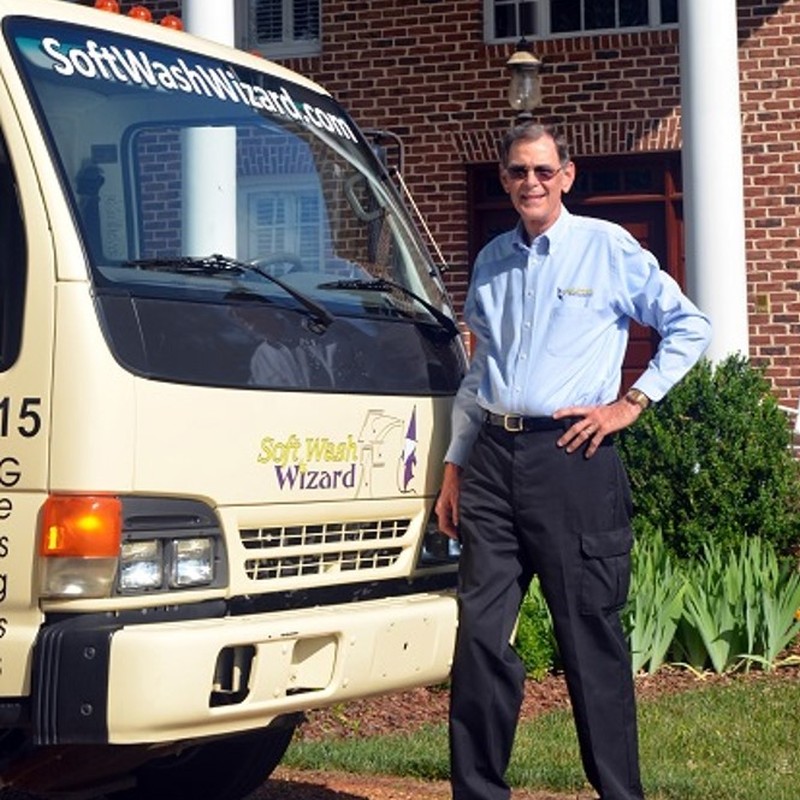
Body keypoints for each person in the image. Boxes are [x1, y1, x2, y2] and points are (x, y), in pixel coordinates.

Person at [435, 122, 711, 800]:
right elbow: (479, 372)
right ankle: (477, 792)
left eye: (543, 170)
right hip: (493, 466)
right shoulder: (492, 260)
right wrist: (453, 466)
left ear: (567, 174)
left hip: (572, 462)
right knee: (478, 641)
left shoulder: (606, 248)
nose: (531, 182)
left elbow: (689, 327)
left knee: (591, 643)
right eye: (519, 172)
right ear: (503, 179)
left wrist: (630, 403)